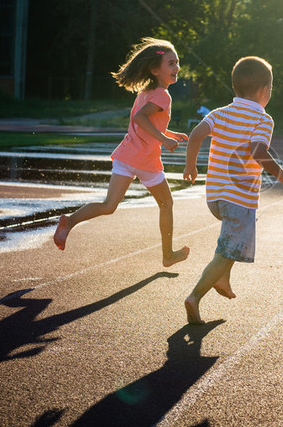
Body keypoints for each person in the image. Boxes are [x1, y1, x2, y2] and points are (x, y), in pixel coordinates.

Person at [53, 37, 190, 268]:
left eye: (177, 62)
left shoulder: (146, 93)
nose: (176, 67)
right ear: (155, 69)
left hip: (127, 156)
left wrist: (170, 133)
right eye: (170, 64)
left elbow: (147, 122)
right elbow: (140, 118)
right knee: (166, 204)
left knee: (109, 205)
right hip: (145, 161)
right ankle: (168, 255)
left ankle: (70, 221)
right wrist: (165, 139)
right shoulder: (162, 95)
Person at [182, 56, 283, 324]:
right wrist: (280, 174)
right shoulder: (263, 119)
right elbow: (258, 150)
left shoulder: (220, 113)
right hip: (239, 200)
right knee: (229, 249)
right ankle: (195, 296)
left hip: (214, 197)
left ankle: (222, 278)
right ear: (265, 91)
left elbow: (196, 134)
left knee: (231, 244)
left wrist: (190, 165)